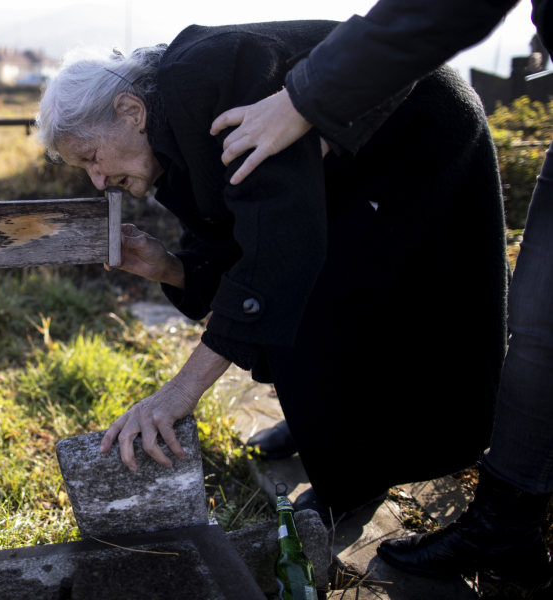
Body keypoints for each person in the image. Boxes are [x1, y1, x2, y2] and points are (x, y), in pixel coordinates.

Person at [36, 23, 509, 522]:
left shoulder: (202, 83)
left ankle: (357, 471)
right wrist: (169, 268)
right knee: (287, 293)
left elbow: (277, 250)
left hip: (407, 132)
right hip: (341, 166)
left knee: (327, 290)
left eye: (91, 157)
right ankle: (318, 427)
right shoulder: (168, 149)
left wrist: (178, 393)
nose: (97, 180)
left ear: (130, 111)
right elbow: (232, 251)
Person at [207, 0, 553, 590]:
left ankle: (409, 475)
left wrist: (303, 101)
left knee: (527, 323)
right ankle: (502, 518)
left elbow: (433, 13)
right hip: (363, 119)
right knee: (539, 323)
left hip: (412, 124)